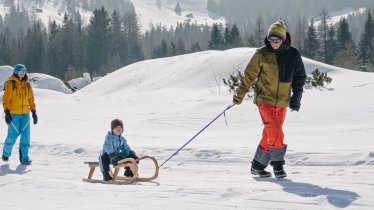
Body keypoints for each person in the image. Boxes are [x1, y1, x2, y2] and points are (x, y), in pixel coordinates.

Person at [233, 20, 306, 178]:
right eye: (271, 40)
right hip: (264, 100)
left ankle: (257, 165)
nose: (274, 43)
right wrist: (239, 95)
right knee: (275, 131)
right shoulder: (262, 54)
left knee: (270, 133)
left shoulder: (293, 54)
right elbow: (249, 76)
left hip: (282, 102)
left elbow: (300, 78)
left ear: (284, 39)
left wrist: (296, 98)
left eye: (277, 40)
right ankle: (278, 165)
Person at [2, 64, 38, 165]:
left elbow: (31, 99)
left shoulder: (27, 84)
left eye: (24, 71)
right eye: (20, 70)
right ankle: (6, 153)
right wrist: (7, 113)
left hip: (25, 114)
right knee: (12, 136)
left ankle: (24, 158)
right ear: (16, 72)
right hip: (14, 114)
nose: (22, 72)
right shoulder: (10, 84)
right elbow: (6, 99)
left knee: (26, 137)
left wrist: (34, 112)